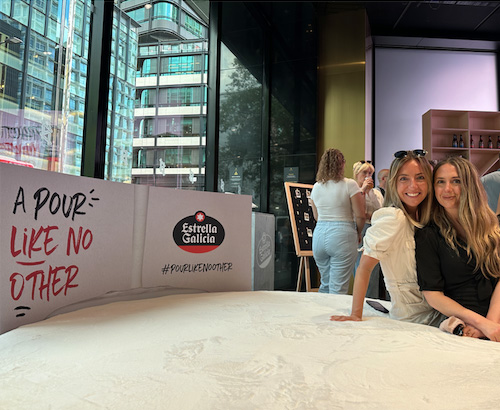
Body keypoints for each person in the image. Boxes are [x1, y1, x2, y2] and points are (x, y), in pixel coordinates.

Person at [331, 150, 444, 326]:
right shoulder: (394, 218)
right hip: (415, 321)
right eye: (404, 178)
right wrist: (355, 314)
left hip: (438, 314)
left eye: (420, 177)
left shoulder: (427, 220)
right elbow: (364, 267)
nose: (413, 185)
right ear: (393, 184)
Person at [415, 156, 500, 341]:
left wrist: (491, 323)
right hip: (465, 326)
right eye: (440, 182)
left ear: (470, 185)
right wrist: (480, 324)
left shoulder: (494, 227)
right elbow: (433, 295)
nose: (447, 189)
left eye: (456, 181)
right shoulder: (429, 235)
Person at [310, 148, 365, 294]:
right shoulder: (350, 184)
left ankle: (321, 315)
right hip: (343, 234)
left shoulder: (316, 187)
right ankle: (334, 316)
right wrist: (358, 232)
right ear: (342, 164)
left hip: (319, 235)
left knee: (325, 284)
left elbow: (316, 216)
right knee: (337, 288)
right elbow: (360, 215)